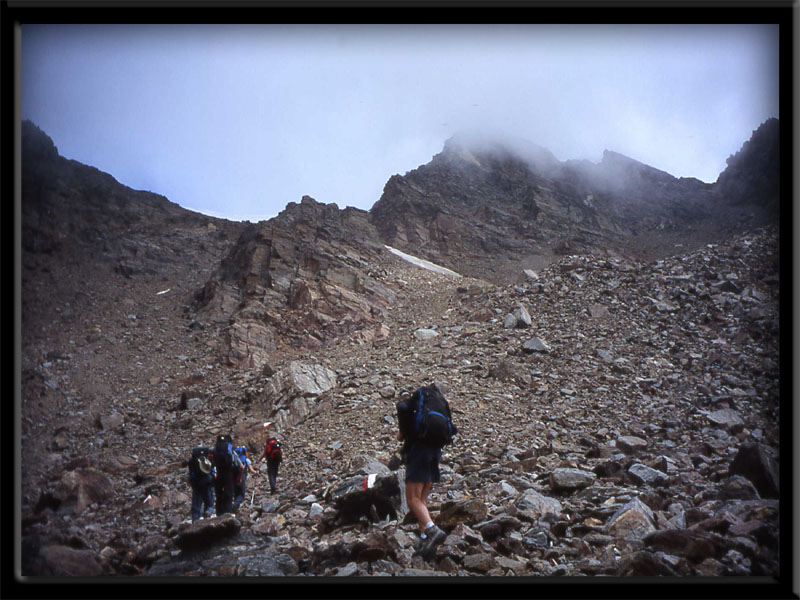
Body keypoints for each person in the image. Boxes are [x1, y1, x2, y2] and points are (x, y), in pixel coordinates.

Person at [396, 383, 458, 559]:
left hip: (419, 453)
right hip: (435, 451)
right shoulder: (434, 405)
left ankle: (432, 530)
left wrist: (402, 434)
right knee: (422, 499)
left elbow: (401, 435)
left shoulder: (408, 408)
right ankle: (425, 538)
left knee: (412, 500)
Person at [188, 445, 215, 522]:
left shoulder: (192, 461)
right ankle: (207, 515)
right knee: (209, 504)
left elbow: (191, 474)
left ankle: (195, 521)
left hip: (196, 484)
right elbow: (212, 471)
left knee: (196, 505)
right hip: (207, 483)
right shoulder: (209, 460)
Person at [212, 434, 237, 516]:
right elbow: (232, 459)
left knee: (218, 492)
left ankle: (219, 512)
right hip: (228, 472)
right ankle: (227, 511)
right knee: (228, 491)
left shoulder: (216, 447)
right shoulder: (228, 446)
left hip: (218, 471)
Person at [257, 422, 283, 495]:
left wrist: (259, 459)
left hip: (270, 460)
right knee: (275, 472)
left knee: (271, 473)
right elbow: (280, 451)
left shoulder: (268, 444)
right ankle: (274, 485)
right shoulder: (276, 443)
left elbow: (264, 452)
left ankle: (273, 487)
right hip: (277, 459)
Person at [232, 446, 258, 512]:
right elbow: (251, 470)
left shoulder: (234, 459)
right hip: (241, 477)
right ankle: (235, 505)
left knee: (236, 493)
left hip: (233, 477)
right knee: (241, 494)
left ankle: (234, 507)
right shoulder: (246, 460)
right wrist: (256, 472)